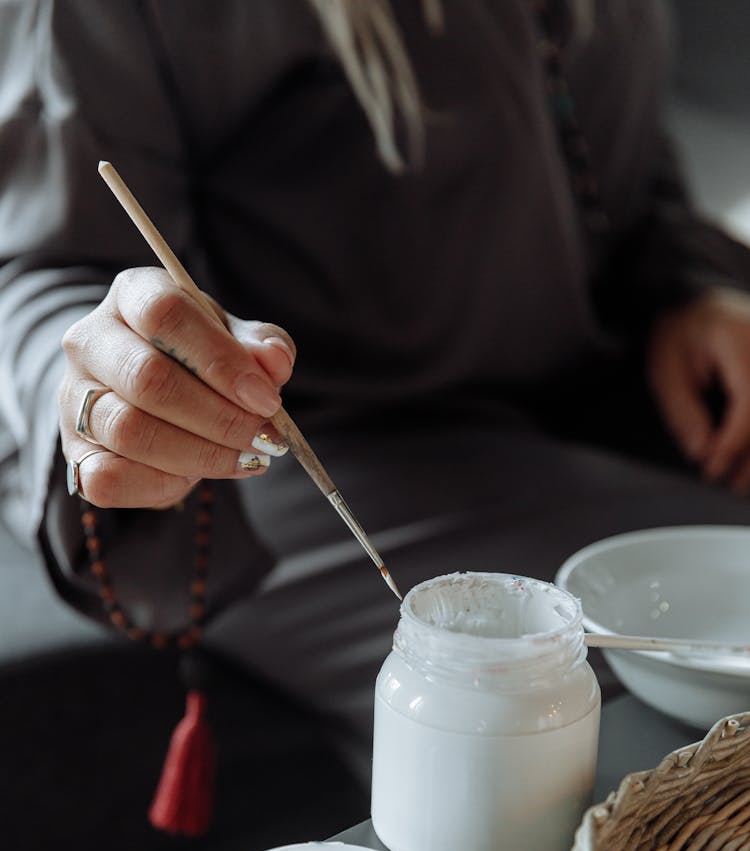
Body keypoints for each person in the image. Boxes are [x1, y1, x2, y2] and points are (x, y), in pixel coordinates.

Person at [2, 0, 750, 791]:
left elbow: (597, 134)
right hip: (310, 455)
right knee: (567, 717)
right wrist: (112, 393)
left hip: (595, 383)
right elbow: (44, 275)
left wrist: (690, 284)